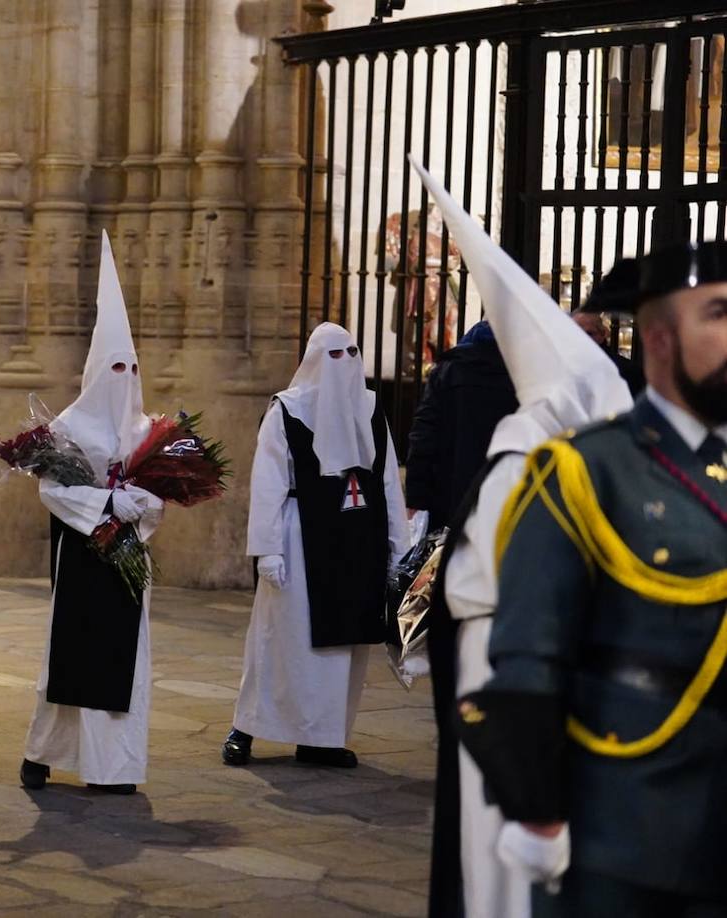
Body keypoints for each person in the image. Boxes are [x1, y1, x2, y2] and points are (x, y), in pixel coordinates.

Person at [457, 240, 727, 917]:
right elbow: (528, 658)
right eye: (718, 314)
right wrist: (540, 814)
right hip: (624, 818)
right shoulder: (585, 471)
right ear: (660, 338)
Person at [409, 162, 633, 918]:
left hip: (554, 672)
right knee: (504, 861)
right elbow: (492, 582)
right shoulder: (522, 457)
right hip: (508, 674)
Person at [222, 321, 408, 770]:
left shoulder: (369, 408)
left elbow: (386, 480)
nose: (344, 363)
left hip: (357, 542)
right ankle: (244, 729)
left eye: (352, 353)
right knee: (282, 640)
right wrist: (267, 549)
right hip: (299, 540)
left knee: (341, 648)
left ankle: (322, 738)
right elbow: (267, 481)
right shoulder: (288, 410)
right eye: (334, 355)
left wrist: (397, 548)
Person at [19, 231, 164, 796]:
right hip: (81, 553)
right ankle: (43, 752)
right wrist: (106, 502)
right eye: (115, 368)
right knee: (73, 654)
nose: (125, 379)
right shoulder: (68, 429)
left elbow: (156, 494)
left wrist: (143, 507)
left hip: (129, 555)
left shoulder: (147, 431)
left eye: (133, 367)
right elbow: (52, 491)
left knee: (124, 659)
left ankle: (115, 768)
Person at [405, 319, 517, 532]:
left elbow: (424, 435)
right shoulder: (520, 376)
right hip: (505, 491)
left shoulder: (448, 371)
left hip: (449, 493)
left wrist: (416, 497)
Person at [571, 309, 646, 397]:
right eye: (576, 332)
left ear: (603, 334)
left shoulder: (625, 371)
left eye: (589, 333)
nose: (582, 338)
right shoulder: (563, 364)